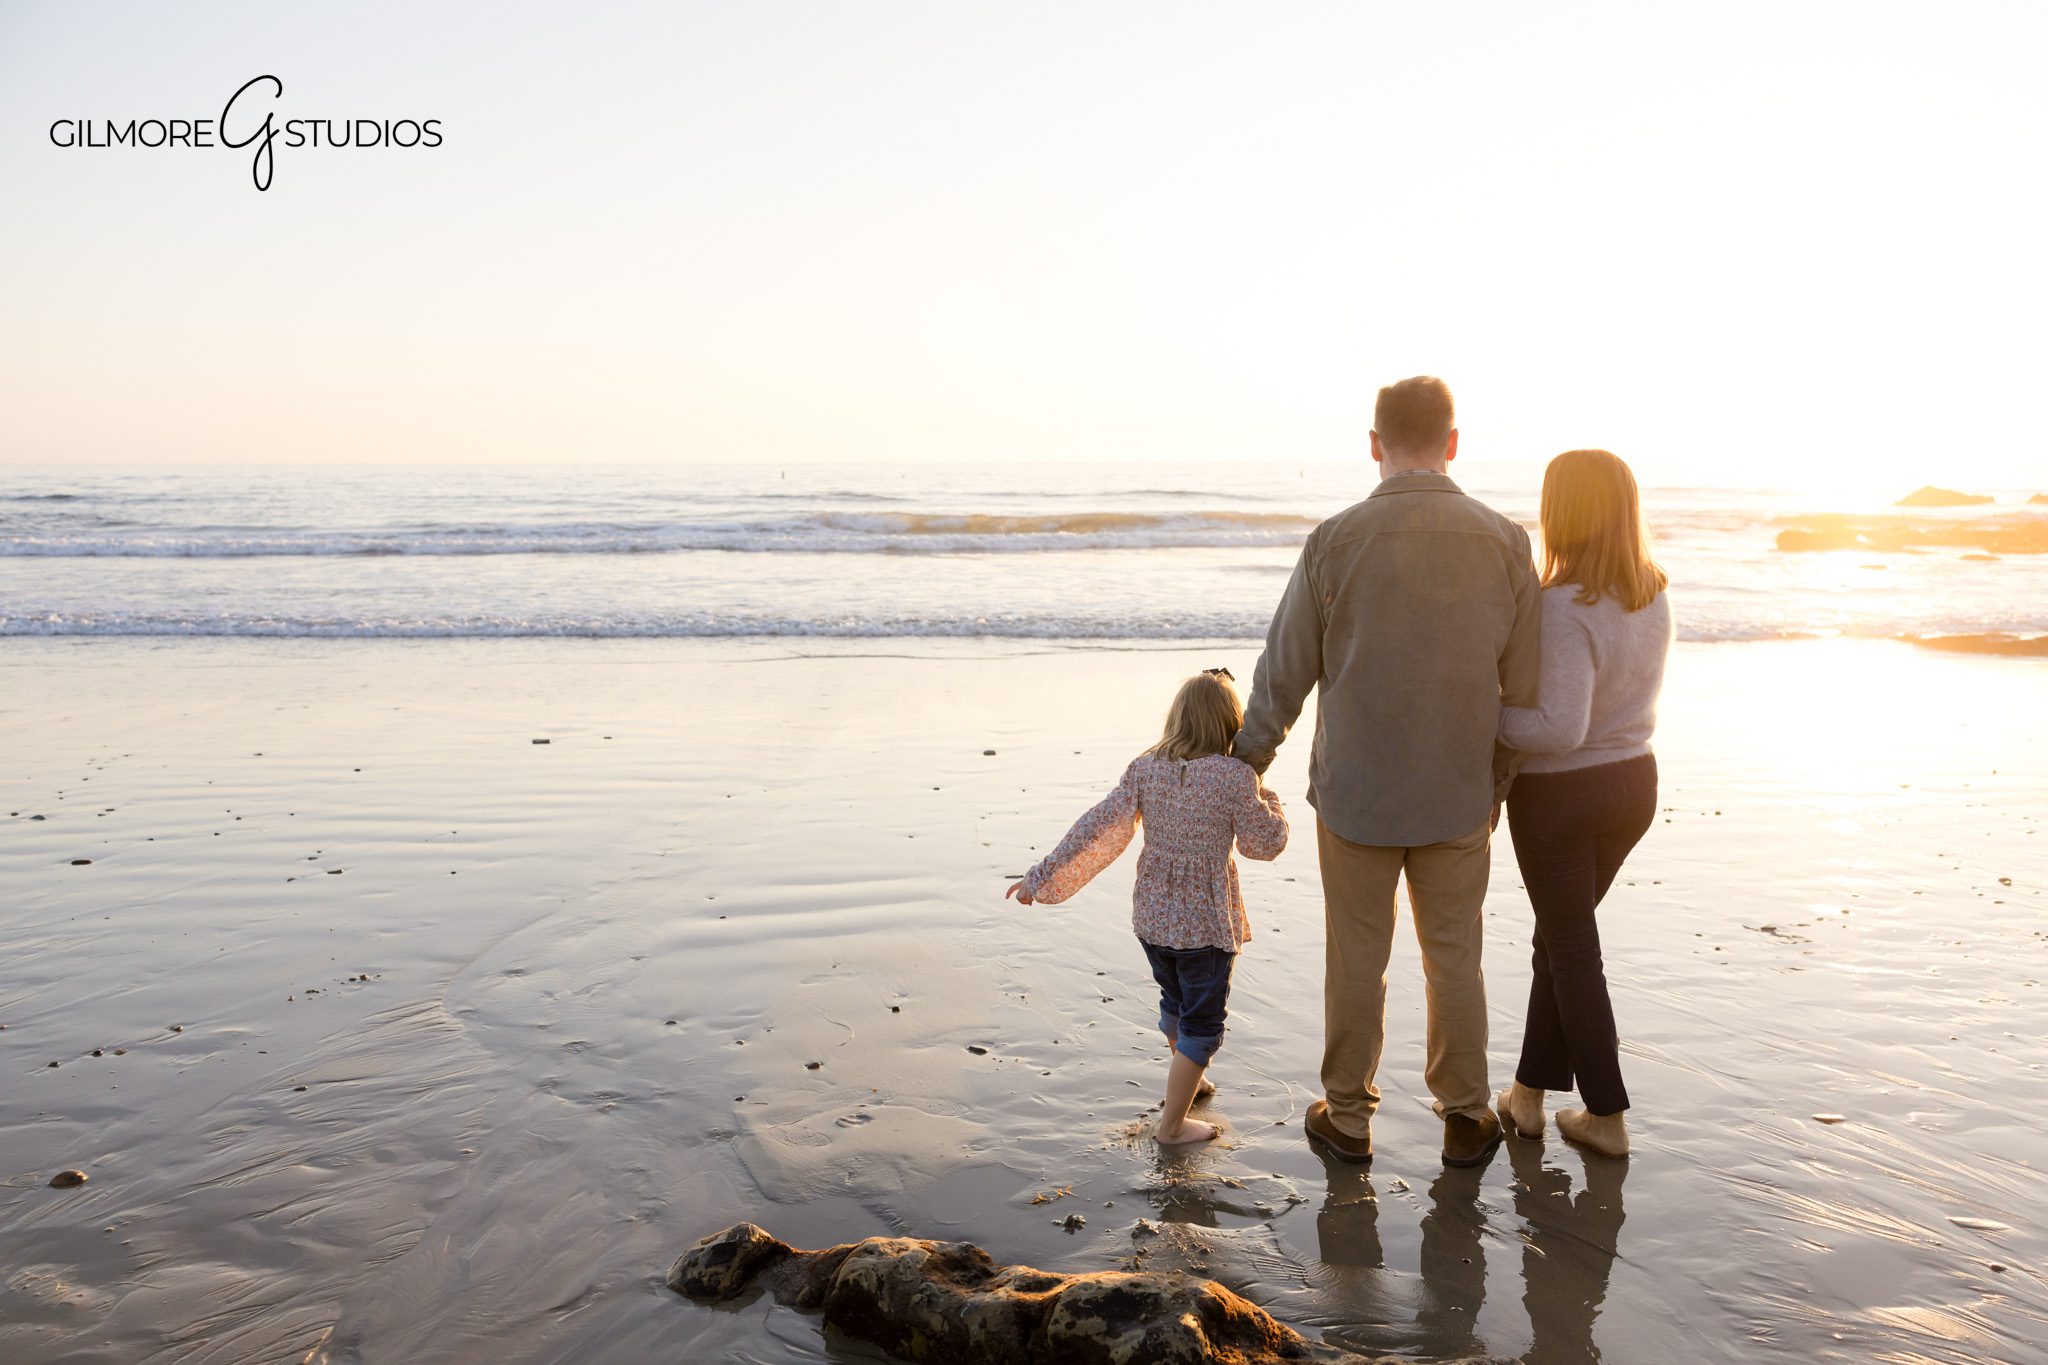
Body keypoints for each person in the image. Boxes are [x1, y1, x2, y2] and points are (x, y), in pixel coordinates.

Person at [1233, 376, 1540, 1168]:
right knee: (1454, 958)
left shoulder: (1334, 540)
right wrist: (1494, 779)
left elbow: (1283, 671)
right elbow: (1526, 687)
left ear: (1374, 444)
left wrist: (1242, 765)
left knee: (1356, 959)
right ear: (1453, 441)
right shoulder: (1506, 541)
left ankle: (1348, 1116)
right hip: (1457, 793)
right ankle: (1467, 1116)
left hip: (1357, 794)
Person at [1007, 669, 1288, 1145]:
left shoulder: (1145, 768)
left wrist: (1041, 876)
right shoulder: (1237, 777)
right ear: (1231, 725)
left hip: (1153, 919)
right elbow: (1265, 844)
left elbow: (1096, 825)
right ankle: (1172, 1127)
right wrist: (1269, 798)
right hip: (1204, 924)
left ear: (1176, 717)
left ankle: (1188, 1078)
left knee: (1175, 1002)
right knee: (1204, 1022)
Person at [1495, 449, 1672, 1159]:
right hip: (1634, 784)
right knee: (1560, 942)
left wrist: (1489, 717)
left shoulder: (1562, 605)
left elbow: (1560, 729)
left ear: (1559, 512)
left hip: (1562, 798)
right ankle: (1528, 1098)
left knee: (1571, 950)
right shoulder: (1654, 590)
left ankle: (1607, 1114)